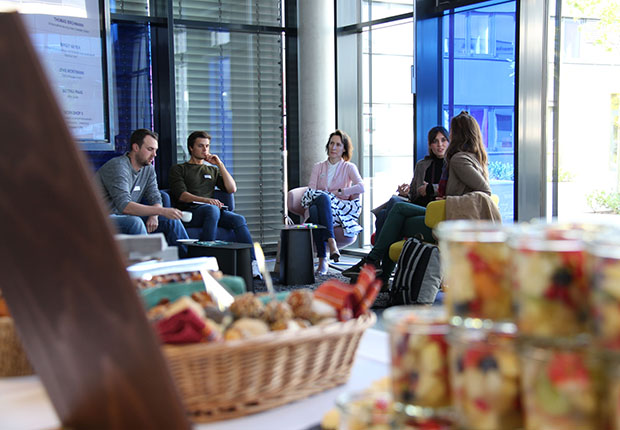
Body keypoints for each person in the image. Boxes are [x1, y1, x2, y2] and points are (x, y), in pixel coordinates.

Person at [344, 112, 491, 282]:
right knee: (394, 208)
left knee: (397, 211)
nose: (445, 140)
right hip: (443, 215)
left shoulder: (458, 160)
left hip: (446, 221)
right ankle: (377, 272)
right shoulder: (472, 158)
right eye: (436, 141)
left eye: (450, 133)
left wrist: (447, 201)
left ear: (458, 134)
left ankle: (373, 265)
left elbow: (484, 192)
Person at [168, 130, 261, 278]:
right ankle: (206, 262)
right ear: (191, 148)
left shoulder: (211, 169)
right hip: (192, 212)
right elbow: (182, 196)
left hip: (212, 211)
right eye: (201, 146)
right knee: (212, 210)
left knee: (238, 219)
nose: (205, 150)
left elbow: (232, 188)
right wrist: (207, 201)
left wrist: (220, 164)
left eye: (207, 146)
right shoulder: (179, 169)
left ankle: (252, 263)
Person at [95, 129, 189, 256]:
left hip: (125, 216)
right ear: (135, 147)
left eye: (156, 150)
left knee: (171, 221)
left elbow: (155, 196)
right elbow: (125, 206)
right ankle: (150, 270)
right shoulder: (118, 166)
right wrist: (161, 211)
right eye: (150, 149)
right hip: (101, 218)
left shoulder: (148, 169)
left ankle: (189, 266)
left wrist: (155, 215)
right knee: (134, 222)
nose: (154, 154)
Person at [303, 130, 365, 275]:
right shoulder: (318, 167)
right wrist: (324, 196)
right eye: (331, 143)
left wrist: (340, 192)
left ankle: (323, 260)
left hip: (338, 212)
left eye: (338, 144)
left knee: (317, 208)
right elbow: (311, 191)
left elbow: (361, 187)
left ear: (344, 148)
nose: (334, 147)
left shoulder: (349, 167)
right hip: (319, 209)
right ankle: (331, 242)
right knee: (318, 204)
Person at [373, 126, 449, 236]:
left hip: (432, 206)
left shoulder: (452, 165)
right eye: (435, 141)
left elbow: (450, 187)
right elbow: (413, 194)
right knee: (383, 212)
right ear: (430, 145)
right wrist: (405, 193)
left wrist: (430, 188)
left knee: (394, 204)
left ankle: (379, 252)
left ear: (448, 142)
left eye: (443, 140)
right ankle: (384, 251)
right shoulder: (422, 165)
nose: (440, 145)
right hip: (417, 204)